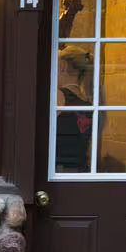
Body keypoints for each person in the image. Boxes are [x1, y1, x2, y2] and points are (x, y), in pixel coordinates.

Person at [54, 45, 94, 173]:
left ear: (63, 66)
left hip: (58, 171)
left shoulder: (58, 95)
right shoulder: (88, 100)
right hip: (81, 170)